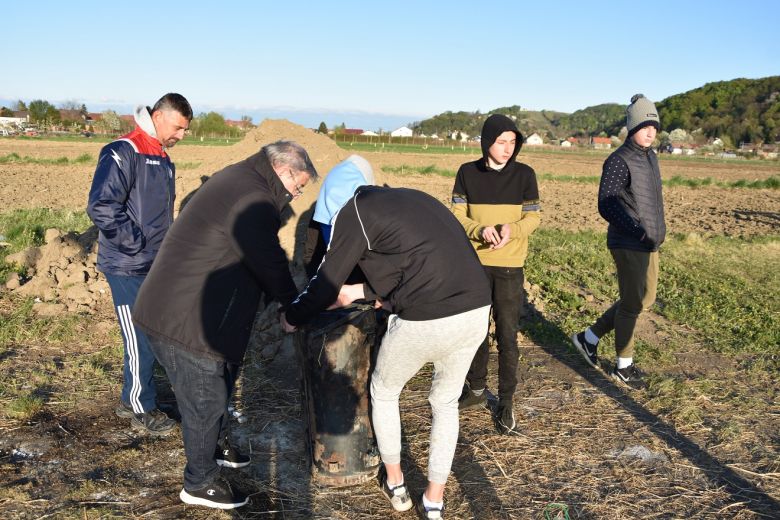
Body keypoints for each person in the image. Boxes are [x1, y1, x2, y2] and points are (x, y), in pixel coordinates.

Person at [280, 165, 491, 520]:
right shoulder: (410, 199)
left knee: (385, 390)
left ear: (334, 202)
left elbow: (326, 281)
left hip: (426, 317)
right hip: (476, 310)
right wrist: (357, 293)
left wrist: (293, 316)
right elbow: (406, 268)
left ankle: (396, 484)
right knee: (445, 402)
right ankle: (434, 500)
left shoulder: (352, 211)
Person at [132, 141, 318, 509]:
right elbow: (267, 258)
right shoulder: (252, 196)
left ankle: (212, 447)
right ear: (285, 171)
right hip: (185, 317)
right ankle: (199, 481)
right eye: (298, 187)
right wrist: (292, 303)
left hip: (205, 310)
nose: (296, 197)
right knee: (205, 399)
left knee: (220, 383)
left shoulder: (245, 181)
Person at [86, 93, 192, 435]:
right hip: (126, 264)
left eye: (185, 130)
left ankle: (130, 397)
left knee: (148, 334)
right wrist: (136, 243)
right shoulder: (123, 151)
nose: (181, 135)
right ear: (158, 116)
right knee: (139, 336)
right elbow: (102, 205)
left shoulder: (162, 157)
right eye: (178, 127)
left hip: (153, 264)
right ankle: (139, 406)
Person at [451, 113, 541, 435]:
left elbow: (533, 218)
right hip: (474, 265)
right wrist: (480, 230)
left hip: (509, 266)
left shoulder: (525, 175)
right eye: (501, 142)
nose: (507, 148)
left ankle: (505, 401)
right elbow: (457, 215)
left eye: (512, 142)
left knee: (506, 334)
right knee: (474, 331)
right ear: (487, 142)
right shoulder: (467, 173)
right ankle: (476, 389)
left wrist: (511, 230)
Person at [571, 94, 665, 389]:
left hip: (649, 241)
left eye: (654, 127)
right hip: (628, 241)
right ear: (633, 127)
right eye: (645, 126)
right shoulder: (618, 160)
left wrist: (654, 233)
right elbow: (607, 204)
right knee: (632, 303)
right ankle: (624, 366)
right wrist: (636, 230)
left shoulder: (650, 157)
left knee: (644, 299)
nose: (650, 132)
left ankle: (588, 338)